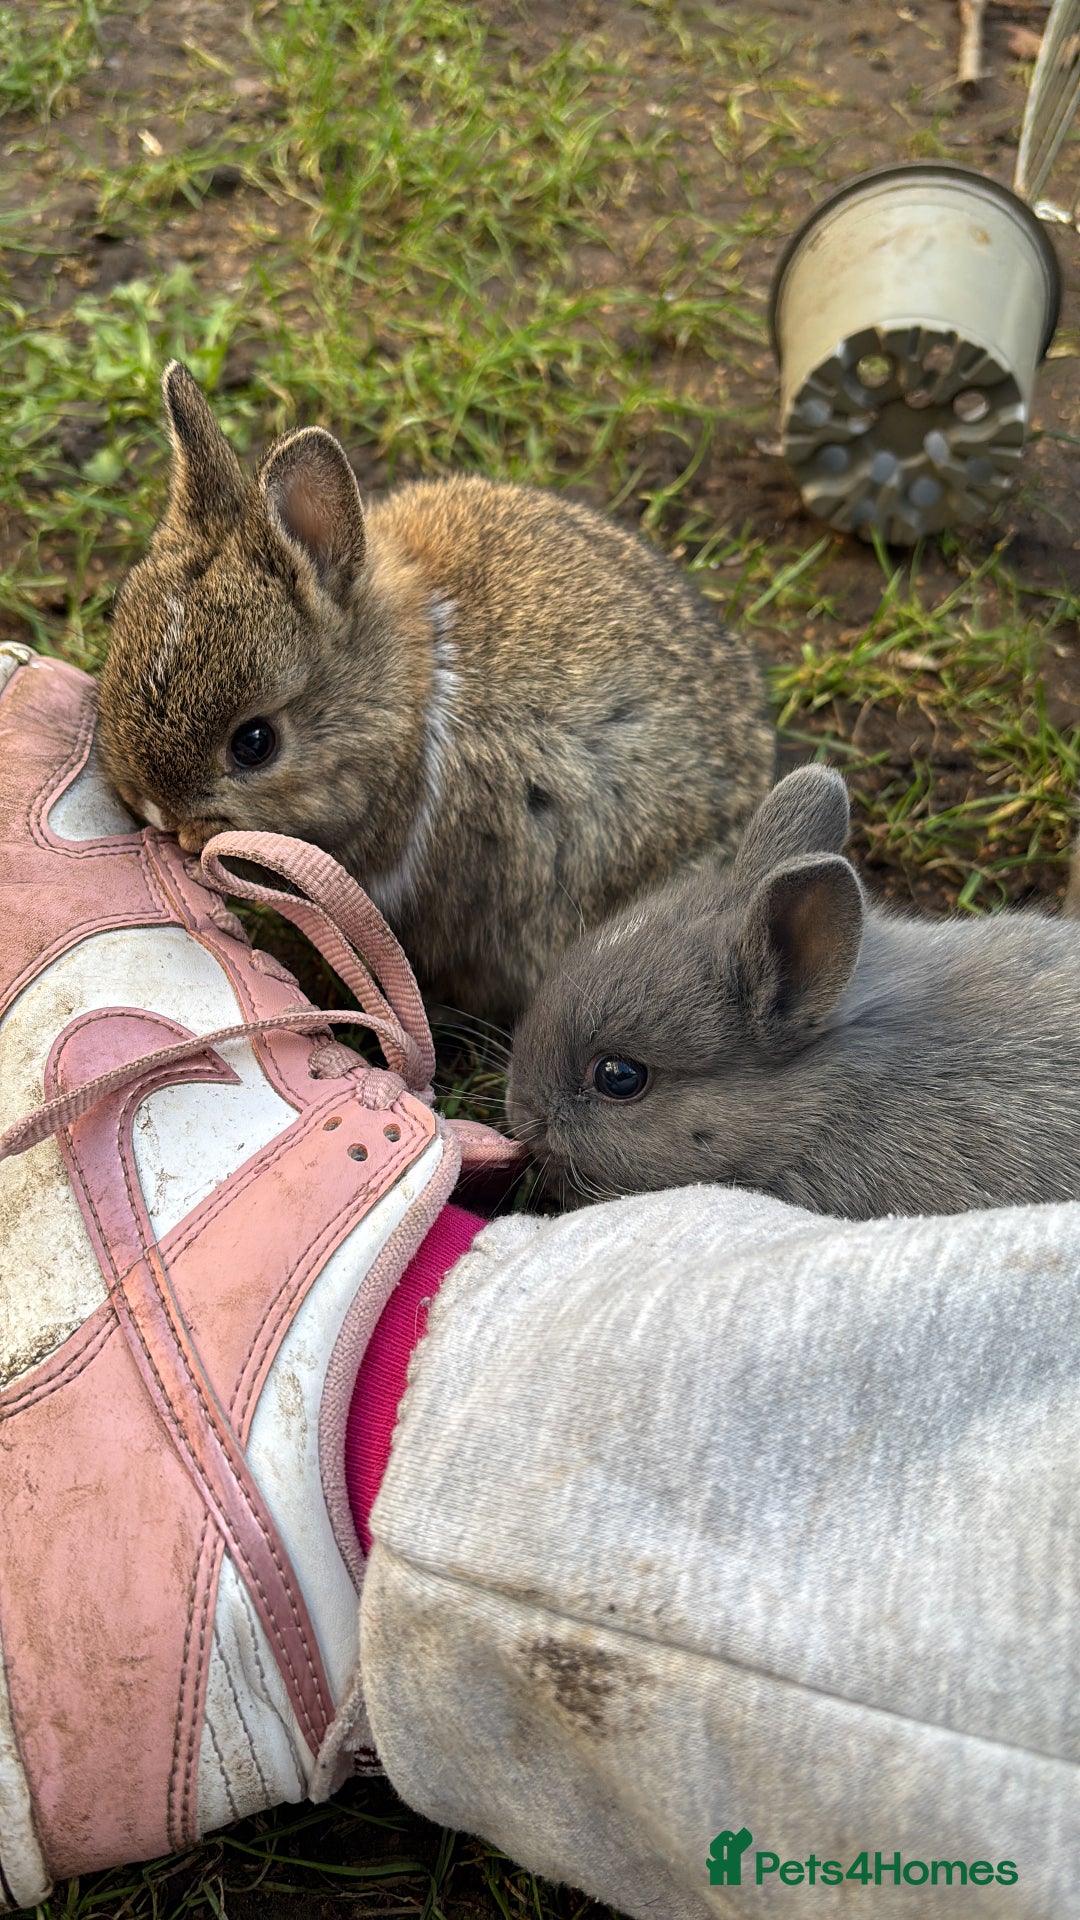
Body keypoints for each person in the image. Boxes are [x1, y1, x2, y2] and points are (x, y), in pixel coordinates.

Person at [1, 643, 1077, 1919]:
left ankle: (353, 1424)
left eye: (616, 1085)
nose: (525, 1125)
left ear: (801, 972)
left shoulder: (883, 1146)